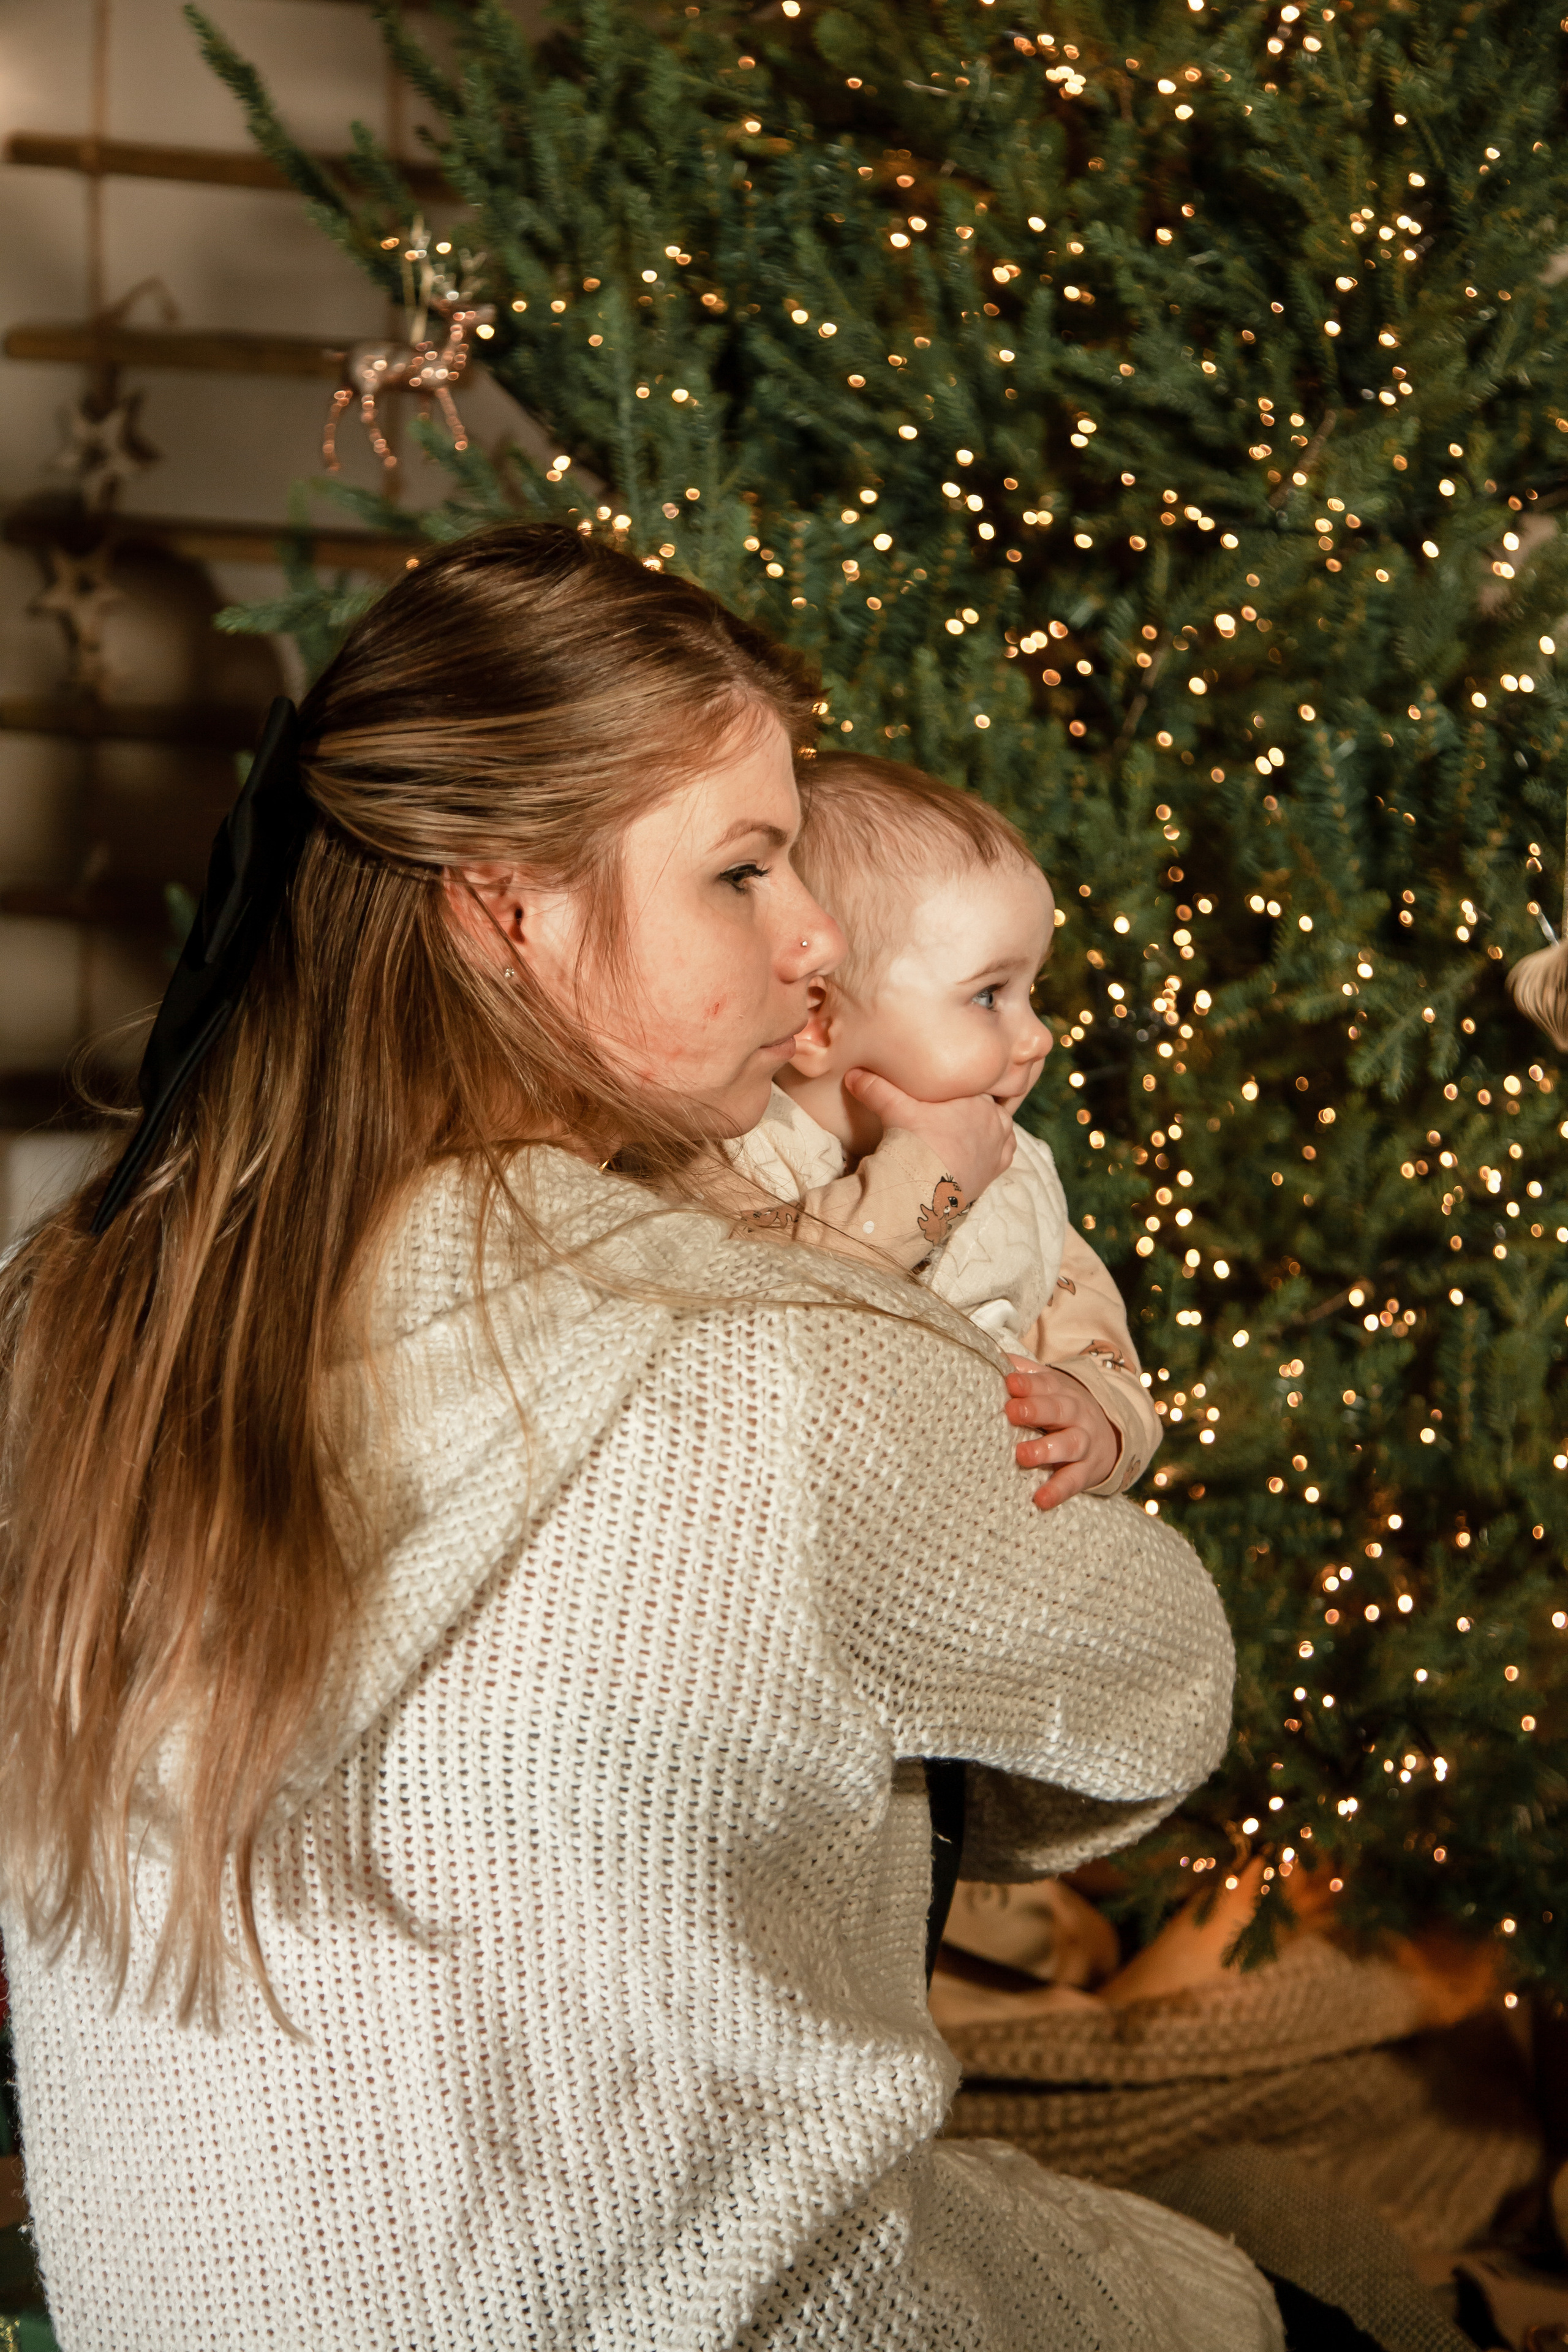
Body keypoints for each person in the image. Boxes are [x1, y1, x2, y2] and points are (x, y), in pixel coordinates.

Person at [0, 523, 1281, 2351]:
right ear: (505, 907)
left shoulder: (70, 1310)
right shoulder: (764, 1351)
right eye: (743, 869)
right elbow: (1151, 1706)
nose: (816, 935)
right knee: (1292, 2272)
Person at [722, 753, 1159, 1516]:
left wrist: (1098, 1415)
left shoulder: (1020, 1172)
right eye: (989, 995)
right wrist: (930, 1172)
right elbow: (748, 1304)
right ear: (817, 1019)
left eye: (1032, 991)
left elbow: (1099, 1347)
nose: (1039, 1037)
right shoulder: (735, 1146)